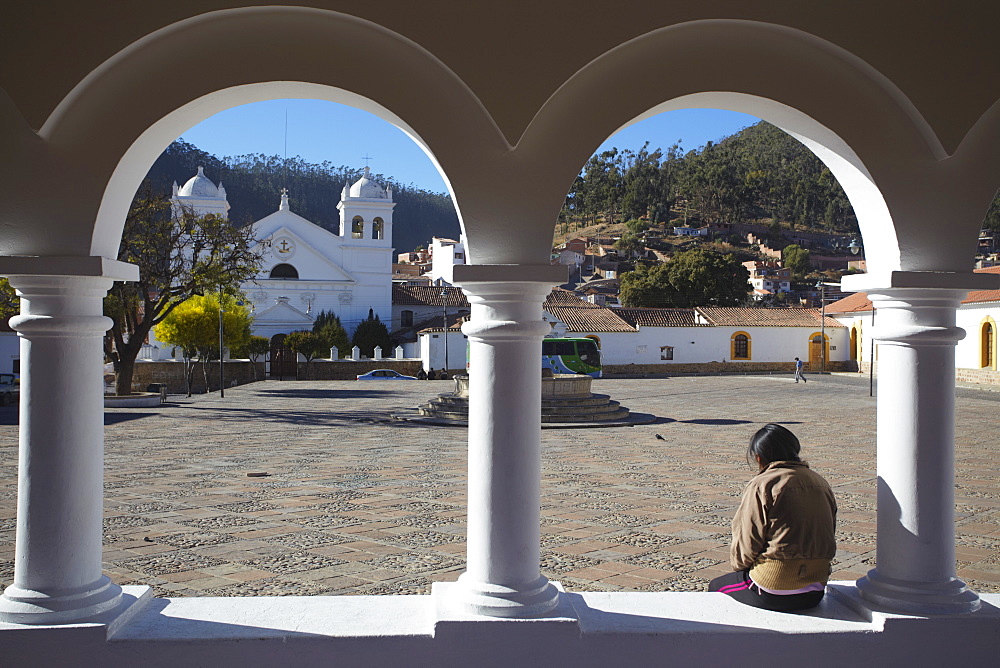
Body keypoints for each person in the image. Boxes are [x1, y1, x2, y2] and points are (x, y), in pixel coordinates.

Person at [709, 423, 837, 612]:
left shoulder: (762, 484)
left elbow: (748, 539)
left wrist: (741, 567)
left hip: (773, 588)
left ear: (759, 458)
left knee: (716, 587)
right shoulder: (820, 482)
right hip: (815, 589)